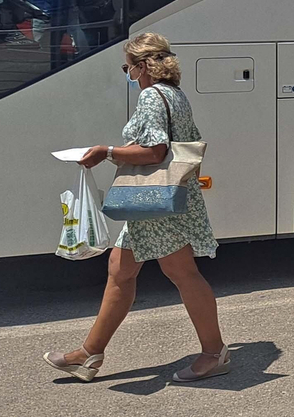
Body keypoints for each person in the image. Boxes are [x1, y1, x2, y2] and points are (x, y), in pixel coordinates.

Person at [45, 32, 228, 383]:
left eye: (129, 67)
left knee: (182, 274)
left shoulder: (151, 97)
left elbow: (156, 151)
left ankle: (213, 352)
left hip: (157, 205)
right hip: (161, 201)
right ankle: (89, 353)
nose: (129, 74)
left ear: (142, 66)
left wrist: (107, 152)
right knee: (120, 269)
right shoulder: (176, 95)